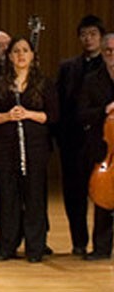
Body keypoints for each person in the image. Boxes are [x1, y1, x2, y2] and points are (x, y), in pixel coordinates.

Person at [0, 36, 58, 263]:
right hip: (6, 148)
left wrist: (28, 114)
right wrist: (8, 116)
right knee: (8, 197)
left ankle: (35, 248)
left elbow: (53, 116)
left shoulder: (44, 84)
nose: (20, 55)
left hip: (35, 148)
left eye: (25, 51)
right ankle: (7, 246)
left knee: (35, 197)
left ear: (32, 56)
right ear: (9, 56)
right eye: (16, 51)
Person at [56, 15, 105, 256]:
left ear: (101, 37)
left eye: (93, 34)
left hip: (102, 141)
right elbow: (61, 104)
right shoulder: (68, 67)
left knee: (102, 193)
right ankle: (78, 242)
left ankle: (101, 244)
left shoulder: (109, 66)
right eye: (84, 34)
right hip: (73, 141)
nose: (88, 39)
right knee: (73, 194)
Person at [77, 32, 114, 261]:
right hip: (105, 150)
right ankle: (101, 248)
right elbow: (82, 114)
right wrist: (104, 110)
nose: (112, 54)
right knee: (104, 199)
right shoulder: (92, 80)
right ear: (102, 52)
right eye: (108, 50)